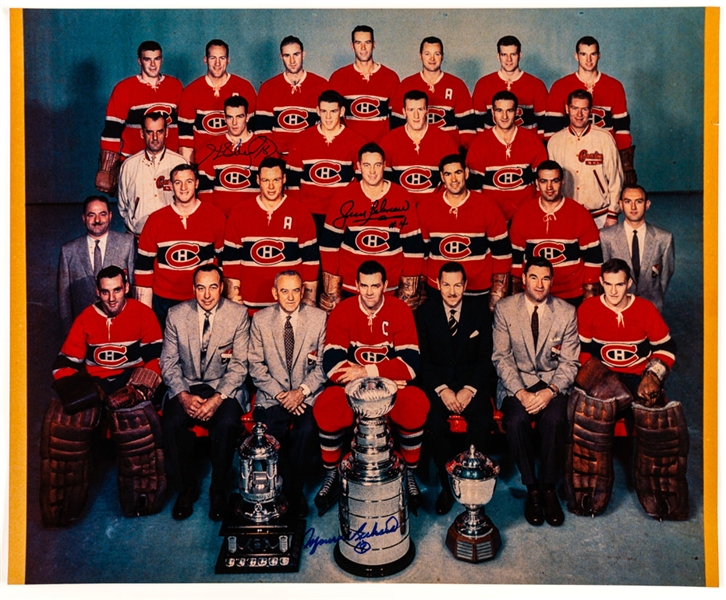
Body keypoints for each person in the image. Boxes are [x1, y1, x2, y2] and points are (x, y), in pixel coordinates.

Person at [42, 266, 165, 526]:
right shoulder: (86, 318)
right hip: (94, 383)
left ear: (127, 288)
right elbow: (63, 365)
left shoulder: (143, 314)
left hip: (130, 380)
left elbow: (157, 361)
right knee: (63, 426)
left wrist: (138, 389)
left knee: (136, 426)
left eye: (117, 290)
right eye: (105, 292)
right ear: (97, 292)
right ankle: (61, 507)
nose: (112, 298)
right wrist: (85, 392)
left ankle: (141, 500)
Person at [570, 259, 686, 520]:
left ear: (629, 284)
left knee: (658, 421)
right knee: (591, 417)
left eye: (619, 285)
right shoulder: (588, 308)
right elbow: (581, 352)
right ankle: (589, 494)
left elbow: (667, 348)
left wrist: (653, 375)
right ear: (600, 283)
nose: (613, 292)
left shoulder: (645, 309)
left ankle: (660, 496)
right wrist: (601, 381)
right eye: (608, 285)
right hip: (604, 376)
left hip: (637, 375)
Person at [312, 260, 430, 516]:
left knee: (415, 402)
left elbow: (410, 366)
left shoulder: (400, 310)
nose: (368, 292)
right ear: (355, 285)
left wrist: (366, 371)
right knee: (326, 404)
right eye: (363, 286)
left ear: (385, 286)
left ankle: (409, 474)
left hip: (389, 390)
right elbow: (332, 366)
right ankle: (331, 475)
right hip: (354, 390)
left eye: (375, 286)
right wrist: (380, 375)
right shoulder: (343, 310)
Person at [492, 256, 580, 527]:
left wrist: (550, 391)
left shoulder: (566, 312)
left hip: (552, 383)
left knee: (555, 420)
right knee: (516, 421)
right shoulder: (505, 309)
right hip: (517, 383)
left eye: (545, 278)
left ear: (552, 281)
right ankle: (532, 488)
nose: (539, 284)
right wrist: (521, 393)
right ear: (523, 279)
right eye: (534, 277)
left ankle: (549, 488)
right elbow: (501, 358)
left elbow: (570, 363)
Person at [160, 264, 251, 521]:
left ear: (221, 288)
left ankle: (218, 491)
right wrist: (183, 395)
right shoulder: (176, 315)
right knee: (172, 423)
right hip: (187, 385)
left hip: (224, 387)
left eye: (213, 287)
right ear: (194, 289)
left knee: (227, 423)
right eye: (201, 288)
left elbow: (240, 365)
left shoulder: (238, 314)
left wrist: (216, 399)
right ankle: (186, 489)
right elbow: (168, 362)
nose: (207, 295)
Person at [415, 262, 495, 515]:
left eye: (457, 285)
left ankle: (471, 482)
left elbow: (486, 357)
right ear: (438, 285)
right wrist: (443, 390)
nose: (451, 291)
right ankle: (448, 485)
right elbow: (422, 360)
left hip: (471, 385)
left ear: (465, 285)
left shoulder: (480, 312)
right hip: (438, 387)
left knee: (482, 420)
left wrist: (469, 390)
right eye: (446, 285)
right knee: (435, 426)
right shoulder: (424, 313)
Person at [248, 270, 327, 518]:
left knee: (306, 431)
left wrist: (301, 392)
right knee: (273, 429)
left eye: (296, 290)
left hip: (307, 394)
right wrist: (283, 395)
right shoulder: (261, 320)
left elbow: (325, 365)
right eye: (284, 291)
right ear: (274, 293)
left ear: (303, 292)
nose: (291, 297)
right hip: (273, 395)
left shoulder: (319, 318)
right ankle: (281, 487)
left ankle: (293, 492)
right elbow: (256, 367)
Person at [319, 142, 425, 311]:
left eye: (377, 165)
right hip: (350, 288)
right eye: (367, 165)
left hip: (389, 288)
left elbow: (413, 249)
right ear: (358, 166)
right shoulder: (343, 196)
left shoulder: (402, 197)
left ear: (384, 165)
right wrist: (333, 291)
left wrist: (408, 291)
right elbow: (329, 246)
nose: (372, 171)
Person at [222, 156, 319, 313]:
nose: (271, 186)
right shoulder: (240, 212)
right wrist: (233, 295)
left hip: (289, 306)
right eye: (266, 180)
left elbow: (310, 261)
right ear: (258, 180)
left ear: (284, 179)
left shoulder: (300, 212)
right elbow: (231, 260)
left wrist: (309, 298)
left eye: (276, 180)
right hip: (250, 305)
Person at [134, 163, 226, 329]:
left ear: (196, 183)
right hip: (165, 300)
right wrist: (145, 311)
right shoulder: (156, 220)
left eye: (189, 181)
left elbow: (224, 262)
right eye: (178, 182)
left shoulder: (215, 216)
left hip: (204, 298)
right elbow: (143, 268)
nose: (184, 187)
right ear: (170, 185)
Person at [417, 154, 511, 311]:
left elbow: (502, 253)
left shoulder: (487, 206)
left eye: (458, 172)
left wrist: (497, 291)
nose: (453, 179)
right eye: (448, 174)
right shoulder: (427, 207)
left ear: (466, 173)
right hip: (439, 290)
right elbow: (421, 253)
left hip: (478, 289)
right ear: (442, 177)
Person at [509, 160, 603, 306]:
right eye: (544, 181)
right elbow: (516, 260)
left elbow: (593, 260)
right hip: (533, 293)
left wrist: (589, 296)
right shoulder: (524, 213)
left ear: (563, 182)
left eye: (555, 181)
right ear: (536, 183)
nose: (549, 187)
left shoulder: (579, 213)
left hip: (572, 294)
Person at [544, 36, 636, 183]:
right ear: (576, 56)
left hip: (604, 155)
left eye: (592, 54)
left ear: (599, 55)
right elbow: (551, 132)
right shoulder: (560, 86)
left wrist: (623, 164)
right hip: (570, 155)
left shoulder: (614, 86)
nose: (588, 60)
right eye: (583, 54)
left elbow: (622, 131)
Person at [96, 40, 182, 195]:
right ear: (139, 61)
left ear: (161, 59)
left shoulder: (175, 86)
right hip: (135, 161)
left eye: (156, 59)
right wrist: (106, 169)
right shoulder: (124, 88)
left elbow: (184, 127)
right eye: (147, 59)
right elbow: (112, 131)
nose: (153, 64)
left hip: (169, 162)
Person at [286, 90, 367, 236]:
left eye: (333, 111)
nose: (328, 117)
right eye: (324, 111)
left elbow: (361, 183)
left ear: (341, 111)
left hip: (342, 213)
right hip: (309, 212)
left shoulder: (357, 142)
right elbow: (292, 182)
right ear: (317, 111)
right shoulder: (303, 139)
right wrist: (298, 211)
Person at [57, 195, 136, 335]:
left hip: (121, 327)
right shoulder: (68, 250)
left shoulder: (127, 243)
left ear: (110, 216)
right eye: (91, 215)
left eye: (102, 214)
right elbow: (64, 298)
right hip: (84, 330)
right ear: (83, 218)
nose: (97, 220)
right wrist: (69, 334)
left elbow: (133, 288)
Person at [466, 90, 548, 222]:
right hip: (493, 217)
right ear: (493, 112)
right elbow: (474, 190)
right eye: (499, 111)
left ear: (516, 112)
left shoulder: (532, 141)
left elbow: (543, 183)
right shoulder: (479, 144)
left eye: (509, 111)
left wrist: (535, 211)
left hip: (527, 216)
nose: (504, 116)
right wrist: (485, 215)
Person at [547, 89, 624, 228]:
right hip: (566, 214)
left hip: (600, 216)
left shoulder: (604, 138)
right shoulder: (555, 141)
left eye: (584, 109)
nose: (579, 114)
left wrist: (612, 214)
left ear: (591, 111)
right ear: (567, 109)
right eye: (575, 108)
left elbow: (616, 180)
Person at [177, 39, 258, 167]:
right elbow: (185, 142)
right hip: (203, 164)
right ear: (205, 59)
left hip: (238, 163)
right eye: (213, 58)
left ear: (228, 60)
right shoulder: (191, 91)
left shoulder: (245, 88)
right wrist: (190, 171)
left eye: (222, 58)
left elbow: (254, 133)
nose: (217, 63)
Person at [197, 95, 281, 217]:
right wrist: (213, 217)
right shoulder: (210, 148)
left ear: (247, 117)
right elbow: (205, 193)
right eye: (230, 117)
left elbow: (272, 189)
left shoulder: (266, 147)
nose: (234, 123)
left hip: (255, 216)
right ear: (224, 118)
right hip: (222, 217)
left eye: (239, 116)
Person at [390, 36, 475, 150]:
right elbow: (397, 126)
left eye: (437, 54)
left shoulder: (457, 85)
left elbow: (467, 129)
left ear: (442, 56)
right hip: (415, 152)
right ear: (420, 56)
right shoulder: (407, 85)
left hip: (448, 156)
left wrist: (459, 156)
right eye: (427, 54)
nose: (432, 59)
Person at [599, 185, 674, 311]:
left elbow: (665, 277)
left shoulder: (663, 238)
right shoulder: (606, 236)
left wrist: (655, 298)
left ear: (647, 204)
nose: (633, 207)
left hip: (651, 307)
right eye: (628, 202)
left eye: (639, 201)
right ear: (621, 205)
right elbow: (605, 273)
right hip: (617, 307)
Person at [254, 35, 328, 156]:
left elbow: (326, 127)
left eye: (296, 54)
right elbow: (262, 131)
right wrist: (274, 163)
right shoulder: (268, 88)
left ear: (303, 54)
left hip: (310, 158)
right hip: (278, 161)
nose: (292, 61)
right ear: (281, 57)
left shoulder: (321, 85)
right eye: (287, 56)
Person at [117, 112, 186, 236]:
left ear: (166, 132)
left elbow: (187, 201)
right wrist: (133, 221)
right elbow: (123, 206)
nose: (155, 137)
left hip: (171, 236)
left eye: (159, 131)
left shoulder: (179, 162)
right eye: (149, 132)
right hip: (138, 236)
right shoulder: (129, 165)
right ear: (142, 133)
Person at [328, 25, 400, 143]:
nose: (363, 48)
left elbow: (397, 121)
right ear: (352, 46)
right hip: (349, 148)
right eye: (358, 43)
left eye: (367, 42)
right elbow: (332, 119)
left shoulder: (390, 77)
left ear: (374, 44)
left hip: (380, 150)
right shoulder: (338, 78)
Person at [380, 89, 458, 197]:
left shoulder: (444, 140)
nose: (416, 116)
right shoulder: (389, 141)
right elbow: (384, 184)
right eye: (411, 110)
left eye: (420, 109)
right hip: (400, 206)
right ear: (404, 112)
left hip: (434, 206)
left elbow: (453, 181)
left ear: (427, 111)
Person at [471, 35, 548, 137]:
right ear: (498, 56)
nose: (509, 59)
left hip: (525, 147)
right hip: (492, 147)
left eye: (513, 54)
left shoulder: (536, 85)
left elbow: (543, 126)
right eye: (504, 55)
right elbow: (477, 125)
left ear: (520, 56)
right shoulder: (483, 84)